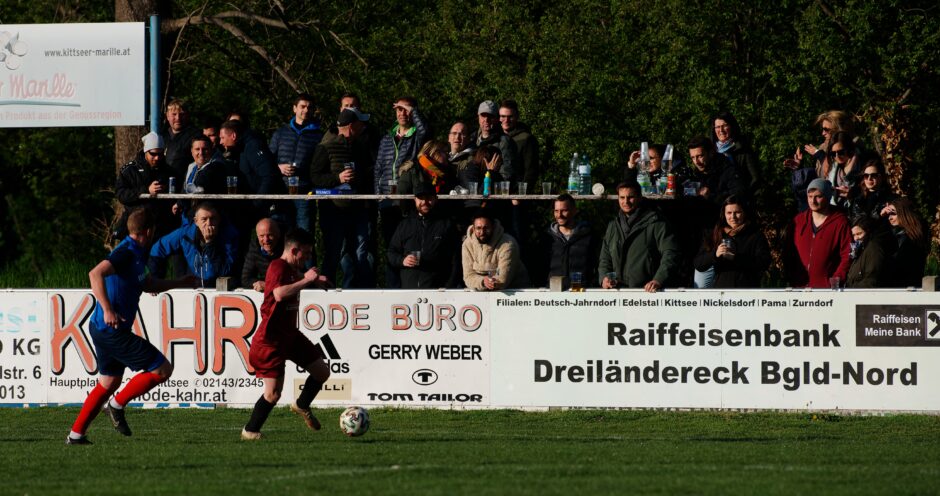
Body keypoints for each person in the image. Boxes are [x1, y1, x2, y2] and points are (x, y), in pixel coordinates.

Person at [67, 208, 196, 445]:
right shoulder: (125, 252)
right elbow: (95, 273)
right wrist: (107, 309)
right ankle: (116, 406)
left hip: (106, 329)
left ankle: (76, 435)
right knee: (162, 369)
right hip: (111, 329)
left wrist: (179, 283)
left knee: (109, 382)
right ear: (149, 231)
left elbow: (147, 283)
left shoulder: (137, 253)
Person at [242, 228, 331, 441]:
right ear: (294, 250)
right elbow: (280, 294)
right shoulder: (277, 266)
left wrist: (315, 279)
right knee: (273, 394)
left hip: (289, 335)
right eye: (306, 254)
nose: (308, 258)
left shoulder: (290, 268)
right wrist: (307, 280)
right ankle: (250, 431)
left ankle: (301, 405)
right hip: (270, 340)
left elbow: (293, 278)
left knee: (322, 372)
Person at [309, 108, 376, 288]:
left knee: (361, 253)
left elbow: (367, 174)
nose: (363, 126)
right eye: (360, 123)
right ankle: (325, 291)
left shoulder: (360, 148)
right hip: (333, 210)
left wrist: (359, 176)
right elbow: (315, 177)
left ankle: (358, 292)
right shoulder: (325, 147)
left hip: (358, 209)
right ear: (350, 126)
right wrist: (338, 178)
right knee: (334, 252)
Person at [373, 97, 427, 288]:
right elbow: (378, 167)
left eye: (405, 110)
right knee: (391, 246)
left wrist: (412, 109)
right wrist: (378, 196)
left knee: (410, 245)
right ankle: (391, 288)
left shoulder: (416, 135)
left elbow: (425, 131)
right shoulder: (387, 137)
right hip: (387, 200)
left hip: (407, 199)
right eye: (399, 110)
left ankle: (408, 287)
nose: (402, 114)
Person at [598, 181, 681, 292]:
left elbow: (670, 253)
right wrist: (604, 278)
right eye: (622, 197)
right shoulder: (613, 225)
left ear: (639, 198)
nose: (626, 201)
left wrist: (658, 279)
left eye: (630, 197)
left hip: (648, 293)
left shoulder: (657, 222)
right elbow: (605, 258)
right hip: (617, 293)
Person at [149, 202, 240, 287]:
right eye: (204, 219)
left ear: (219, 219)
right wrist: (155, 278)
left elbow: (225, 270)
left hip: (217, 285)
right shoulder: (185, 233)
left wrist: (210, 243)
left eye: (213, 219)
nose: (209, 223)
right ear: (196, 221)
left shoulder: (229, 236)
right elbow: (158, 248)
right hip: (193, 283)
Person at [269, 92, 324, 232]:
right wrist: (279, 167)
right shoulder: (280, 133)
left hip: (305, 192)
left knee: (304, 233)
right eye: (302, 106)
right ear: (295, 108)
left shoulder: (319, 136)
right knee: (280, 232)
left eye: (309, 107)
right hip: (281, 191)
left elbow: (321, 164)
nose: (306, 110)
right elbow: (268, 160)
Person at [387, 186, 461, 289]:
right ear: (415, 200)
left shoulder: (446, 225)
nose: (425, 202)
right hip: (407, 291)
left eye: (429, 198)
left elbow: (456, 259)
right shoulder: (405, 224)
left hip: (437, 291)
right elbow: (391, 252)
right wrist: (402, 260)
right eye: (421, 198)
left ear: (436, 199)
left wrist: (449, 287)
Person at [784, 179, 851, 288]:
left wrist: (836, 280)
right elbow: (788, 252)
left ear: (828, 197)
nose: (813, 201)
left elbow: (847, 255)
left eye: (818, 196)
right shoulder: (798, 221)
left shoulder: (840, 222)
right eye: (810, 196)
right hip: (799, 288)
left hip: (826, 291)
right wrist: (791, 276)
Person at [693, 196, 771, 288]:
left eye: (737, 212)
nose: (733, 217)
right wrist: (715, 255)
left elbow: (764, 262)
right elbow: (698, 264)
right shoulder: (716, 234)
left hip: (748, 293)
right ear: (724, 214)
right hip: (722, 293)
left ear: (744, 213)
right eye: (729, 213)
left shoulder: (755, 235)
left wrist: (736, 258)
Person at [784, 110, 854, 211]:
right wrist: (799, 169)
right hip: (825, 206)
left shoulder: (854, 150)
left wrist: (821, 156)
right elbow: (820, 178)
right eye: (822, 129)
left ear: (840, 129)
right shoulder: (823, 147)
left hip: (843, 209)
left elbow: (843, 177)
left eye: (826, 129)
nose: (823, 133)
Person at [114, 132, 176, 241]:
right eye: (153, 154)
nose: (157, 158)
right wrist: (146, 191)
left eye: (160, 154)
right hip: (134, 227)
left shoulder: (169, 171)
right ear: (145, 151)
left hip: (161, 228)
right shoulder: (130, 170)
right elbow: (121, 195)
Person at [539, 194, 598, 289]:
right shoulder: (547, 238)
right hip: (553, 294)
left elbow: (597, 263)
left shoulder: (588, 235)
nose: (559, 215)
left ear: (574, 211)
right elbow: (539, 268)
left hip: (582, 293)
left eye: (564, 211)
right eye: (556, 211)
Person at [461, 209, 529, 290]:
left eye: (486, 228)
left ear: (493, 227)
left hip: (515, 293)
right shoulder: (467, 244)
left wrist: (489, 282)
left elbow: (502, 280)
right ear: (473, 228)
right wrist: (482, 281)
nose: (482, 232)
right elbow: (468, 276)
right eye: (478, 228)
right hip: (481, 292)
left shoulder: (508, 244)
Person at [881, 197, 927, 288]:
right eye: (888, 214)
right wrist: (881, 218)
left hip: (906, 289)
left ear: (903, 213)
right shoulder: (895, 235)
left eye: (893, 213)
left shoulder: (912, 237)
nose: (889, 218)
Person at [179, 135, 226, 222]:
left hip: (207, 219)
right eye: (197, 149)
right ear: (191, 151)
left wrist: (181, 202)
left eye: (205, 149)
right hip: (188, 215)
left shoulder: (216, 166)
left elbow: (197, 185)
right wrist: (178, 204)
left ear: (211, 150)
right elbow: (185, 187)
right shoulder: (192, 167)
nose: (201, 153)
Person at [711, 112, 760, 189]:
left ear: (732, 126)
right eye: (717, 127)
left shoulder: (744, 149)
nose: (721, 130)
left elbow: (756, 178)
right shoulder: (711, 152)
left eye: (725, 125)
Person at [470, 100, 517, 181]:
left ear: (497, 118)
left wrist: (491, 176)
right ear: (478, 117)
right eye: (483, 115)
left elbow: (507, 174)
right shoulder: (472, 139)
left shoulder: (504, 142)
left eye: (490, 116)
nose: (486, 119)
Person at [499, 99, 539, 189]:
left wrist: (520, 195)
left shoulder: (527, 139)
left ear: (517, 116)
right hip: (496, 191)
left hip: (516, 193)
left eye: (510, 116)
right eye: (503, 116)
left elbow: (531, 171)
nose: (506, 120)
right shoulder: (494, 138)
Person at [161, 99, 203, 182]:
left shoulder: (195, 136)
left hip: (184, 186)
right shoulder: (161, 136)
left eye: (182, 114)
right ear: (167, 116)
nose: (178, 118)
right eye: (174, 114)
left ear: (187, 115)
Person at [848, 158, 896, 223]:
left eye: (873, 175)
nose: (869, 178)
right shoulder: (857, 200)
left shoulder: (890, 199)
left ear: (881, 177)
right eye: (866, 175)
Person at [241, 218, 284, 291]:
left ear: (278, 234)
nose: (266, 240)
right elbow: (245, 279)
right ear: (257, 236)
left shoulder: (287, 247)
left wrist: (267, 285)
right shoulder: (253, 249)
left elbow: (296, 278)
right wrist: (263, 284)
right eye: (262, 236)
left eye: (270, 235)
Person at [846, 216, 888, 288]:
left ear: (868, 232)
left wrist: (852, 290)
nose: (856, 238)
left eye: (859, 234)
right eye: (853, 235)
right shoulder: (859, 250)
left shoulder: (874, 248)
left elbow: (871, 280)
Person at [825, 131, 864, 208]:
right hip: (834, 210)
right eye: (833, 154)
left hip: (856, 211)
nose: (837, 157)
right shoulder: (832, 167)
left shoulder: (863, 166)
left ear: (849, 150)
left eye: (841, 152)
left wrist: (848, 174)